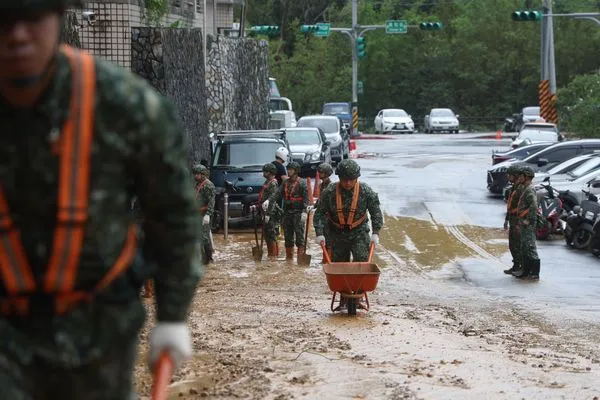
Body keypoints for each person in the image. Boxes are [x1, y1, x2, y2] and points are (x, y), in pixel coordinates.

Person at [0, 1, 202, 398]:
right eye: (3, 20)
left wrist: (172, 316)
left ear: (58, 17)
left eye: (32, 18)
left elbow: (173, 213)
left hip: (98, 326)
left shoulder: (123, 104)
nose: (17, 35)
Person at [314, 159, 383, 262]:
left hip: (359, 232)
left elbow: (376, 212)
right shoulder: (329, 192)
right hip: (337, 234)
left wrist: (375, 232)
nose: (348, 183)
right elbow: (319, 214)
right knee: (339, 266)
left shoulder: (366, 191)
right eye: (344, 179)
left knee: (362, 262)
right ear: (339, 177)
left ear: (357, 178)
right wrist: (319, 233)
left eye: (351, 179)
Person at [267, 162, 309, 260]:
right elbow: (277, 193)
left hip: (298, 214)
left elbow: (306, 199)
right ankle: (289, 259)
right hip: (287, 214)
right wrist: (268, 201)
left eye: (291, 169)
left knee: (300, 237)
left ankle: (300, 258)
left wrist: (304, 211)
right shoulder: (285, 183)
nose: (288, 171)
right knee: (288, 237)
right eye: (288, 169)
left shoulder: (302, 183)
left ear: (296, 171)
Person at [512, 166, 541, 280]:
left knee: (530, 246)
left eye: (521, 176)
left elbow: (533, 206)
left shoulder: (529, 190)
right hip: (524, 222)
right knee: (524, 246)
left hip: (528, 223)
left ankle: (534, 272)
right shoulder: (525, 188)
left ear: (526, 177)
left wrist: (529, 220)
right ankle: (526, 270)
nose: (519, 178)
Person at [193, 163, 216, 265]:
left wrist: (208, 214)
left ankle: (208, 259)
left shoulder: (209, 185)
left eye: (197, 174)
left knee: (204, 237)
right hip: (197, 214)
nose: (195, 176)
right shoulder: (197, 184)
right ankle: (202, 258)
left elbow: (211, 201)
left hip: (205, 214)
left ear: (203, 174)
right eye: (194, 174)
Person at [503, 165, 522, 275]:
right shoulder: (513, 188)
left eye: (510, 175)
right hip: (512, 219)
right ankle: (516, 265)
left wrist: (520, 222)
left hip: (518, 220)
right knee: (512, 245)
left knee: (518, 245)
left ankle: (520, 266)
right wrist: (506, 220)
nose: (508, 177)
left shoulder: (521, 189)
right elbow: (510, 206)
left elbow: (523, 207)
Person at [258, 163, 280, 258]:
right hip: (264, 210)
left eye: (266, 172)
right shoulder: (267, 182)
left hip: (271, 212)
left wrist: (268, 214)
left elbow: (273, 199)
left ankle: (273, 254)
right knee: (266, 233)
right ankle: (270, 253)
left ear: (270, 172)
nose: (264, 173)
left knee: (271, 233)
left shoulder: (273, 183)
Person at [315, 162, 335, 261]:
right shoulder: (322, 185)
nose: (319, 174)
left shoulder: (331, 186)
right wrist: (314, 205)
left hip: (329, 217)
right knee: (324, 239)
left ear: (327, 173)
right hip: (323, 216)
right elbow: (321, 200)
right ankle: (325, 259)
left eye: (321, 172)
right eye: (319, 172)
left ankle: (328, 260)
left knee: (329, 241)